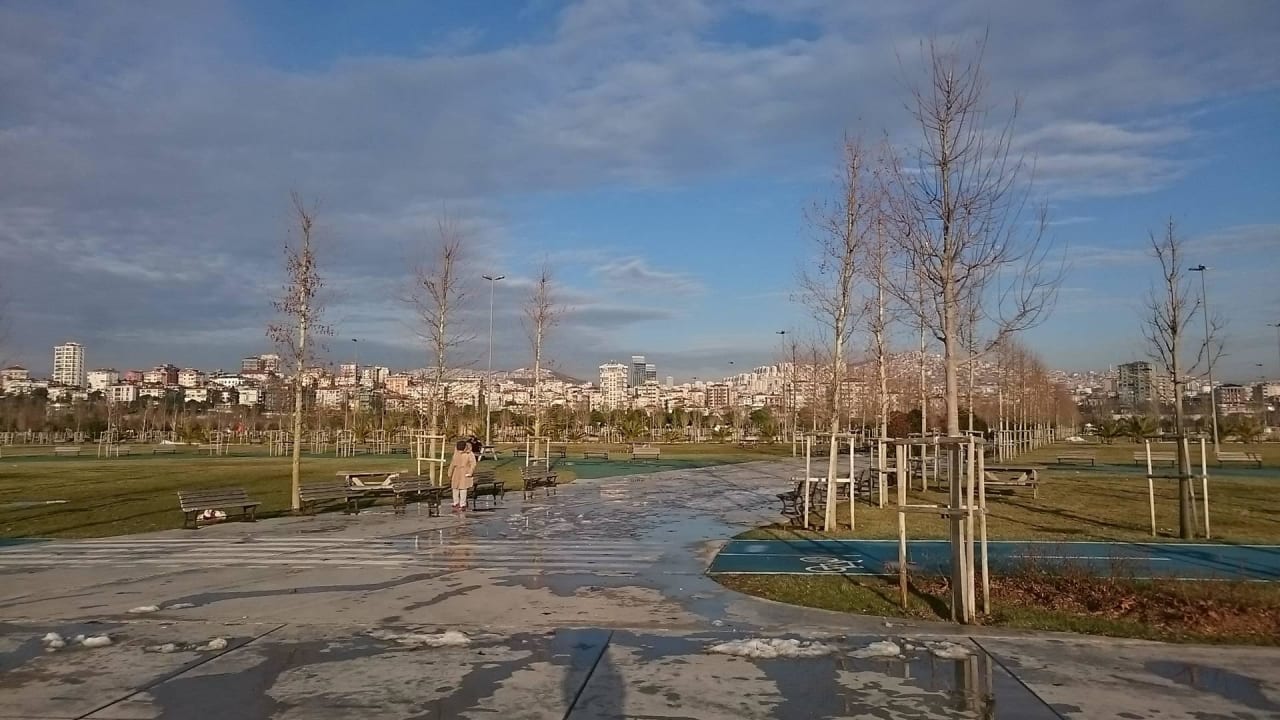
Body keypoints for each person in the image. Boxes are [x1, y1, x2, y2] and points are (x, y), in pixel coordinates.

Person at [448, 439, 476, 512]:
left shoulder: (469, 453)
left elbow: (473, 464)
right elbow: (452, 463)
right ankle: (456, 502)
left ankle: (462, 504)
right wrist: (450, 472)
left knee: (463, 488)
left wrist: (470, 472)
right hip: (456, 472)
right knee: (455, 487)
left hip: (465, 472)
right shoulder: (456, 452)